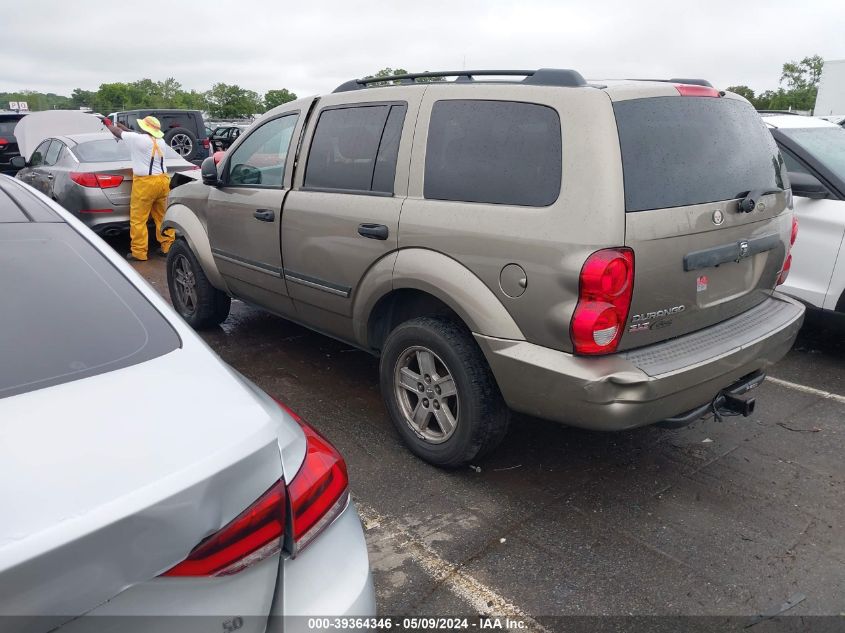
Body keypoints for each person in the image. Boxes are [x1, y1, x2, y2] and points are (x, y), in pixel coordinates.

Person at [103, 116, 174, 261]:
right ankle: (168, 247)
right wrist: (125, 128)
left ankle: (139, 252)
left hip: (145, 184)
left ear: (145, 128)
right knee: (162, 217)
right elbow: (137, 135)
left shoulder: (137, 140)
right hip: (163, 181)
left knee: (138, 220)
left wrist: (108, 124)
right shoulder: (160, 141)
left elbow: (117, 133)